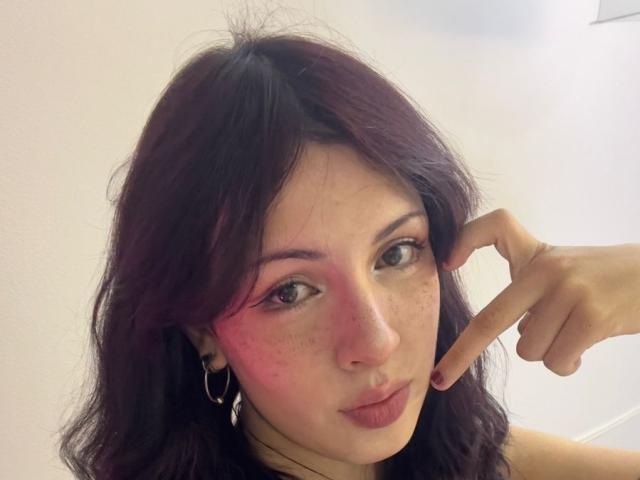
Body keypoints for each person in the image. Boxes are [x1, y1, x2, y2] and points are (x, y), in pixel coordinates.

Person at [58, 28, 640, 480]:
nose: (376, 341)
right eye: (290, 291)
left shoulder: (480, 458)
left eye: (397, 253)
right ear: (201, 331)